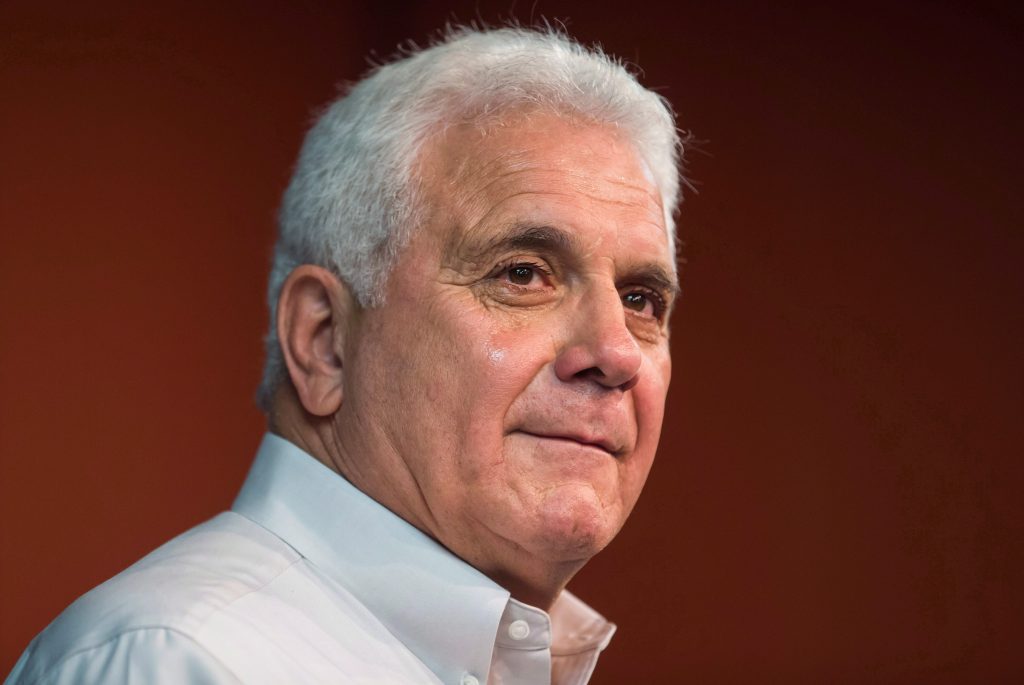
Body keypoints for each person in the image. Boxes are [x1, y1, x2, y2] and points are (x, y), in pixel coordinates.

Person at [6, 25, 685, 685]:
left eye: (641, 299)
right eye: (522, 273)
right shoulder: (177, 661)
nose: (615, 352)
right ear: (324, 342)